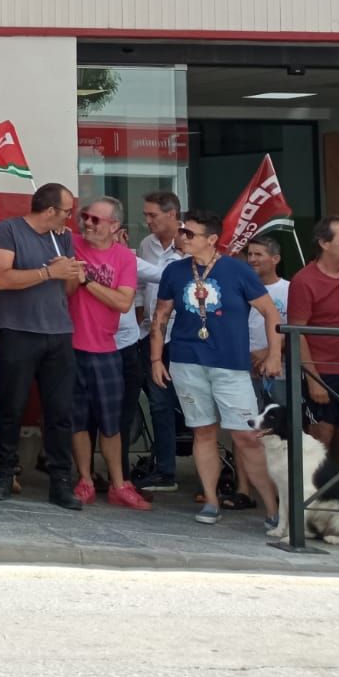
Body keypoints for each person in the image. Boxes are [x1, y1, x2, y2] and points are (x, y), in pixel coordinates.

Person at [150, 209, 283, 527]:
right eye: (182, 231)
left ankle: (273, 509)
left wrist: (274, 355)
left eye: (190, 233)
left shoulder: (238, 271)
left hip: (230, 365)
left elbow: (271, 313)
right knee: (203, 431)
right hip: (186, 362)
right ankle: (210, 501)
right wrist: (156, 359)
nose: (182, 237)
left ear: (211, 240)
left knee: (247, 436)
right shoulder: (175, 271)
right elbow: (160, 317)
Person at [0, 183, 85, 510]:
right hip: (17, 330)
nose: (70, 217)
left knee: (59, 411)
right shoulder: (7, 230)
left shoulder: (63, 237)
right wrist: (47, 271)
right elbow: (2, 279)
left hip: (58, 331)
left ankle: (60, 482)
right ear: (49, 210)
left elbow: (67, 289)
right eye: (66, 211)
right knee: (12, 406)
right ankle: (3, 474)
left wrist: (72, 274)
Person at [69, 197, 149, 509]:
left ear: (114, 226)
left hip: (106, 348)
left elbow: (123, 302)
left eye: (95, 220)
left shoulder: (124, 258)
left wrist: (86, 280)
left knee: (111, 422)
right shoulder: (70, 243)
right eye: (85, 217)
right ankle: (85, 479)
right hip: (71, 346)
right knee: (77, 420)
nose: (87, 223)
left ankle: (119, 483)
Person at [287, 216, 339, 474]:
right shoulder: (304, 280)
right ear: (324, 243)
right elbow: (297, 333)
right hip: (322, 370)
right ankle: (314, 503)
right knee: (321, 437)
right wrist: (313, 379)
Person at [136, 191, 185, 495]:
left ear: (172, 214)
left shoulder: (189, 243)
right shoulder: (146, 245)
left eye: (153, 215)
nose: (148, 221)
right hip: (150, 335)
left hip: (182, 336)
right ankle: (164, 466)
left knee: (175, 403)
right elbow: (141, 286)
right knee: (158, 403)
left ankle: (170, 465)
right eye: (146, 215)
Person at [244, 234, 291, 404]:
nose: (252, 259)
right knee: (249, 426)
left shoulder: (289, 289)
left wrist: (269, 352)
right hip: (244, 370)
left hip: (279, 373)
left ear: (275, 258)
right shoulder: (240, 289)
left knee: (281, 425)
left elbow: (296, 329)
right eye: (249, 254)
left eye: (258, 254)